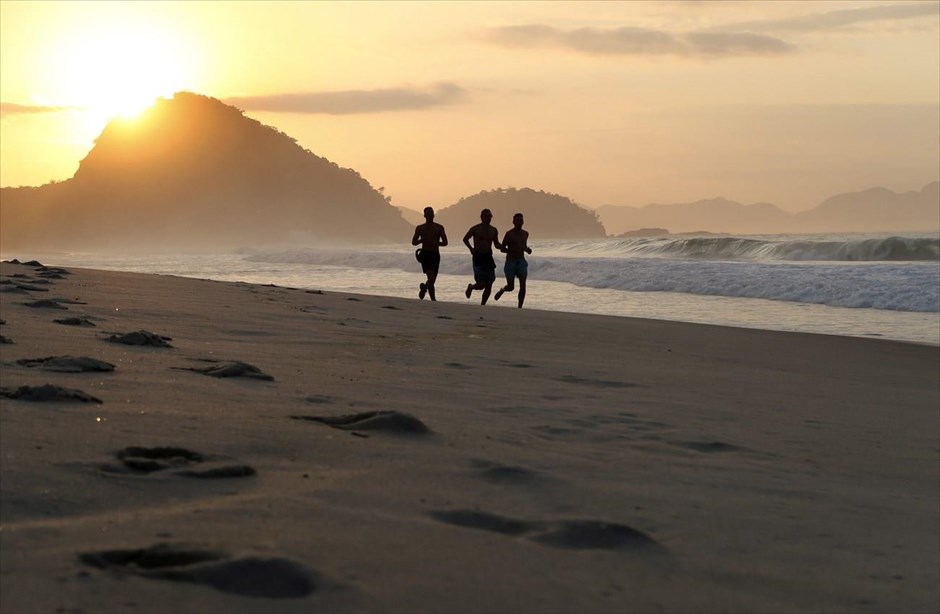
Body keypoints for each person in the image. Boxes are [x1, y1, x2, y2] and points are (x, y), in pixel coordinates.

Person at [462, 208, 502, 305]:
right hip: (478, 256)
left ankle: (483, 304)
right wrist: (471, 249)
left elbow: (496, 244)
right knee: (481, 284)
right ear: (481, 217)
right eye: (486, 216)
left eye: (489, 216)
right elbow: (465, 239)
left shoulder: (493, 230)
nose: (488, 218)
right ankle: (471, 287)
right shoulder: (475, 229)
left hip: (488, 257)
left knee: (490, 283)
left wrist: (502, 247)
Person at [494, 212, 532, 308]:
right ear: (513, 222)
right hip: (511, 261)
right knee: (511, 287)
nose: (520, 222)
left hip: (521, 261)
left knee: (523, 285)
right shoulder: (509, 234)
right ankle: (503, 289)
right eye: (517, 220)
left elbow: (524, 246)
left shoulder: (525, 234)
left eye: (521, 220)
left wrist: (527, 250)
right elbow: (502, 248)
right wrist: (511, 250)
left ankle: (520, 307)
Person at [411, 206, 448, 301]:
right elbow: (414, 242)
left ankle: (424, 288)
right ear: (424, 215)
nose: (430, 215)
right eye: (428, 214)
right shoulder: (420, 228)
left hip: (435, 255)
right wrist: (421, 240)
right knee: (431, 278)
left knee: (432, 280)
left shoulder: (439, 227)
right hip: (425, 255)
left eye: (431, 213)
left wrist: (437, 243)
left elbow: (445, 242)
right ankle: (433, 300)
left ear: (434, 215)